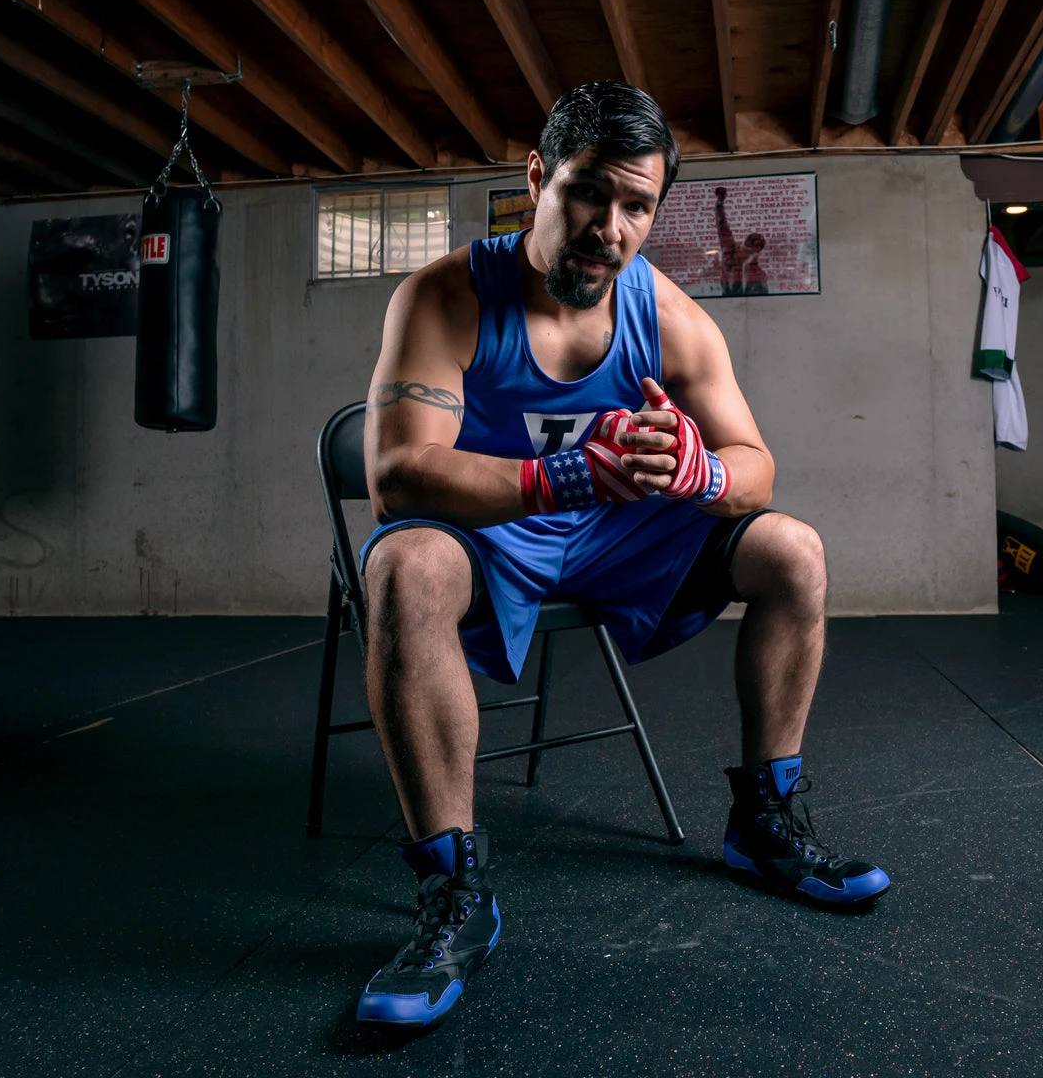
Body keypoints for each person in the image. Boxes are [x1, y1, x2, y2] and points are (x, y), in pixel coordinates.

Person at [354, 81, 889, 1029]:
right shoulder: (445, 295)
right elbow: (398, 474)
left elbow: (755, 465)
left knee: (793, 551)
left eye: (637, 204)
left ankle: (765, 823)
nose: (612, 225)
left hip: (618, 536)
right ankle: (453, 891)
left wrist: (697, 473)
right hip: (494, 536)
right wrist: (560, 481)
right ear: (536, 178)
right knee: (403, 565)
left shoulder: (669, 313)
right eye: (590, 193)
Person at [714, 186, 769, 296]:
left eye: (753, 253)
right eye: (749, 251)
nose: (750, 255)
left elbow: (721, 224)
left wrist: (719, 202)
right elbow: (721, 223)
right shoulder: (729, 248)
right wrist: (719, 203)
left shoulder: (756, 272)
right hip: (729, 291)